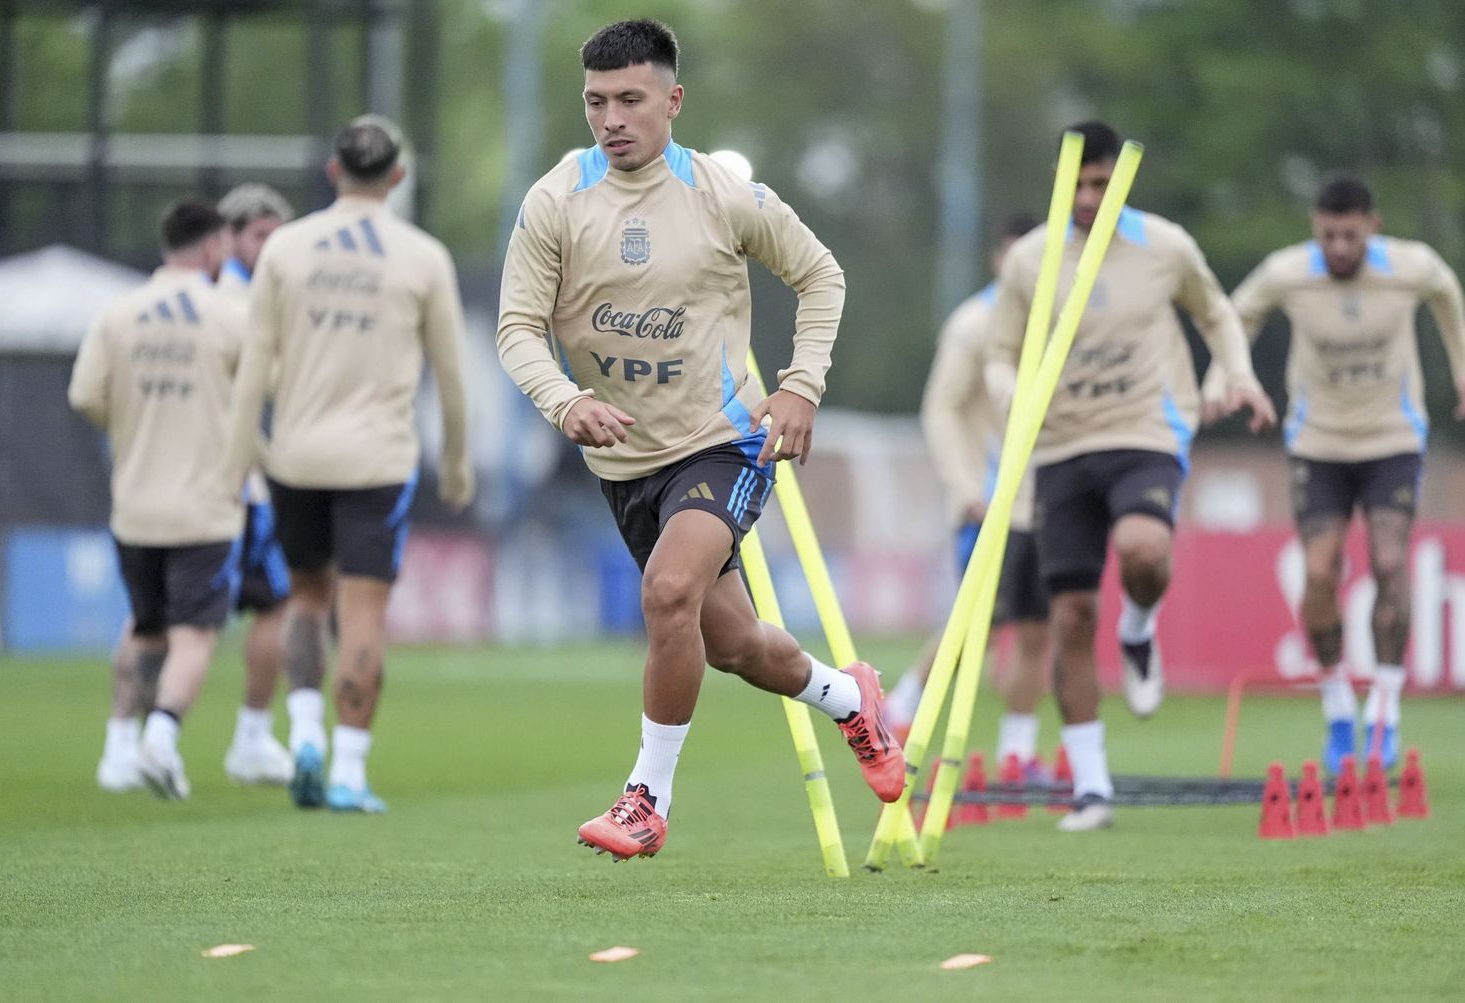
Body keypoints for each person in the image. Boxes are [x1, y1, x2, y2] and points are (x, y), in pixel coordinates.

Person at [496, 19, 903, 863]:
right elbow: (516, 331)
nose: (611, 118)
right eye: (596, 102)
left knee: (666, 590)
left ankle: (646, 798)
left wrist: (800, 385)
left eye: (631, 100)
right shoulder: (555, 201)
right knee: (736, 647)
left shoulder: (722, 194)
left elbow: (821, 273)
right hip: (622, 464)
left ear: (673, 102)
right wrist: (564, 401)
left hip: (725, 440)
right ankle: (847, 695)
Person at [990, 121, 1276, 831]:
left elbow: (1219, 314)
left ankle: (1141, 628)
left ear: (1122, 179)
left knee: (1147, 549)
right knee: (1070, 616)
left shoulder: (1167, 246)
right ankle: (1092, 787)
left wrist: (1235, 372)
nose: (1089, 198)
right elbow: (998, 353)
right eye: (1077, 185)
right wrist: (1011, 399)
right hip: (1059, 447)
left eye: (1101, 183)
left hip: (1146, 431)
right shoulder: (1030, 259)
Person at [224, 115, 474, 814]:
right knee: (362, 613)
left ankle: (303, 731)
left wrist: (237, 456)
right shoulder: (423, 256)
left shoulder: (285, 249)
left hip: (295, 456)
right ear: (397, 177)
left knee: (305, 597)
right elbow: (450, 375)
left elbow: (252, 367)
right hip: (377, 460)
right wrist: (457, 461)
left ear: (333, 172)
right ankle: (349, 771)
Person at [1226, 175, 1465, 772]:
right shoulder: (1287, 272)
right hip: (1318, 443)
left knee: (1389, 562)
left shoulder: (1412, 266)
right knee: (1319, 570)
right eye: (1328, 235)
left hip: (1392, 438)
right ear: (1315, 227)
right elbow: (1233, 315)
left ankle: (1384, 709)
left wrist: (1462, 369)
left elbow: (1447, 293)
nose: (1338, 247)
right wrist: (1231, 377)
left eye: (1350, 236)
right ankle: (1337, 707)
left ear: (1372, 227)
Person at [71, 199, 246, 800]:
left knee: (145, 627)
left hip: (136, 502)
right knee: (194, 634)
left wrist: (128, 428)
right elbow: (261, 393)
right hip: (204, 504)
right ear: (211, 248)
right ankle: (161, 740)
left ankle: (117, 747)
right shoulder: (230, 315)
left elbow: (84, 395)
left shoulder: (119, 313)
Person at [885, 216, 1055, 778]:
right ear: (998, 259)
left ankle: (1018, 753)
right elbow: (941, 408)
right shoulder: (974, 324)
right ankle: (898, 712)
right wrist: (964, 486)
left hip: (1050, 498)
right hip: (991, 499)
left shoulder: (1061, 319)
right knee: (975, 625)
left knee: (1037, 628)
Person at [215, 182, 298, 786]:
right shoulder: (242, 306)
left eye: (276, 236)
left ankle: (134, 738)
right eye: (258, 236)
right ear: (231, 237)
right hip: (244, 483)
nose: (268, 247)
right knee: (274, 606)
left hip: (199, 479)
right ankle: (251, 735)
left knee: (164, 617)